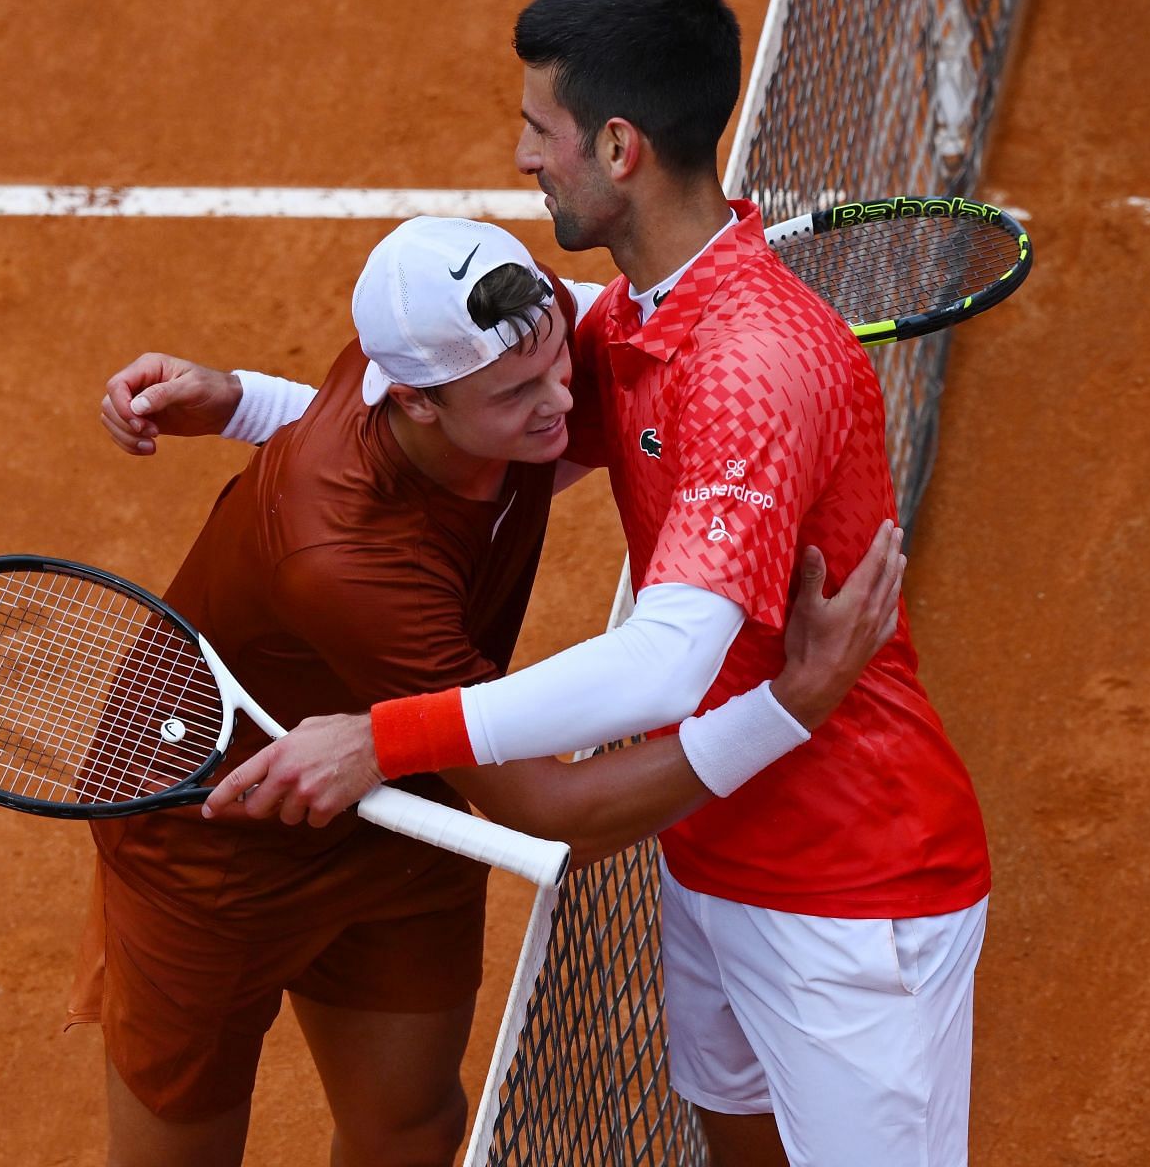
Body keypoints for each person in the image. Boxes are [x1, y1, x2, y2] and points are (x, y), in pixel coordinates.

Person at [216, 0, 992, 1167]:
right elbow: (458, 419)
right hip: (709, 849)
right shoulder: (631, 317)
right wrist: (240, 404)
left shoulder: (745, 367)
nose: (524, 154)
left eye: (541, 128)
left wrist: (387, 735)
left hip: (854, 893)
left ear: (618, 147)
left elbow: (671, 661)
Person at [77, 213, 908, 1167]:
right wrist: (787, 709)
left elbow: (390, 438)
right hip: (213, 854)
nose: (563, 401)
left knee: (413, 1133)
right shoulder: (343, 560)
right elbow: (553, 817)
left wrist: (243, 400)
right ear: (418, 401)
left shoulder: (488, 326)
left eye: (559, 362)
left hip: (404, 806)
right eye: (519, 394)